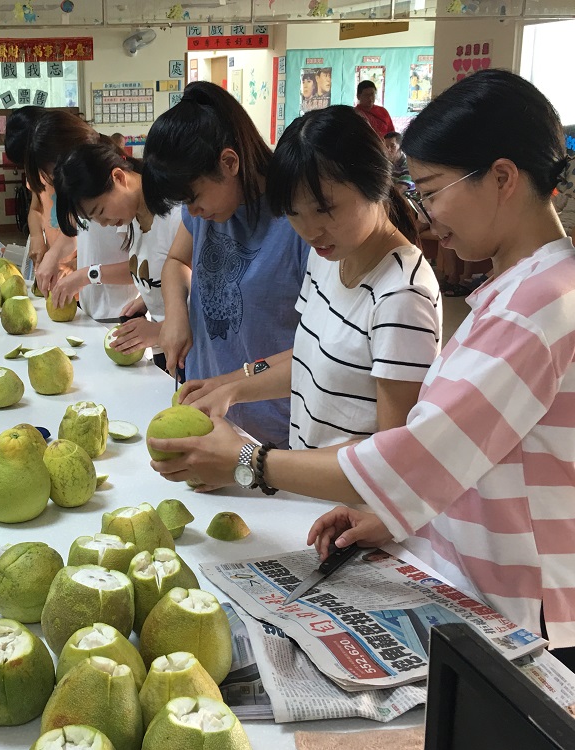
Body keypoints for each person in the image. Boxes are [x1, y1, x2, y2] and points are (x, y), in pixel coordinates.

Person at [149, 70, 575, 664]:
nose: (426, 215)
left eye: (431, 189)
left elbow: (413, 453)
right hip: (466, 580)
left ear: (502, 178)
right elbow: (455, 454)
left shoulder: (538, 308)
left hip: (513, 612)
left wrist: (251, 462)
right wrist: (390, 513)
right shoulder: (516, 291)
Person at [179, 105, 441, 463]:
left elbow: (392, 460)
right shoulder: (329, 256)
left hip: (351, 512)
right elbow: (307, 356)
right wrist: (230, 386)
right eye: (293, 214)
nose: (310, 231)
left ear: (376, 182)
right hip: (311, 497)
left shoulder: (403, 296)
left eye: (324, 209)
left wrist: (249, 463)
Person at [142, 81, 310, 448]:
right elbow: (175, 261)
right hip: (209, 418)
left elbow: (318, 350)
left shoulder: (300, 221)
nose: (192, 213)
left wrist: (235, 385)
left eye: (194, 198)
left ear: (229, 162)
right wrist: (176, 315)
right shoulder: (207, 211)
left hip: (274, 436)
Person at [52, 140, 183, 371]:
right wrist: (149, 295)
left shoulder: (177, 216)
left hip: (190, 351)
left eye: (100, 211)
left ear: (119, 178)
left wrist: (159, 331)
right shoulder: (134, 217)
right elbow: (163, 270)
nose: (103, 224)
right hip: (169, 351)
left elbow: (207, 302)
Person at [28, 110, 138, 322]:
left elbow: (145, 268)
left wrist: (86, 274)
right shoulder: (86, 191)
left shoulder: (119, 195)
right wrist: (55, 254)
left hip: (122, 313)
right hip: (91, 310)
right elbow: (78, 230)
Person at [4, 106, 55, 270]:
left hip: (77, 264)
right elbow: (36, 208)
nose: (29, 169)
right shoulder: (37, 171)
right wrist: (36, 236)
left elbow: (78, 232)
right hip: (56, 256)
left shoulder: (67, 171)